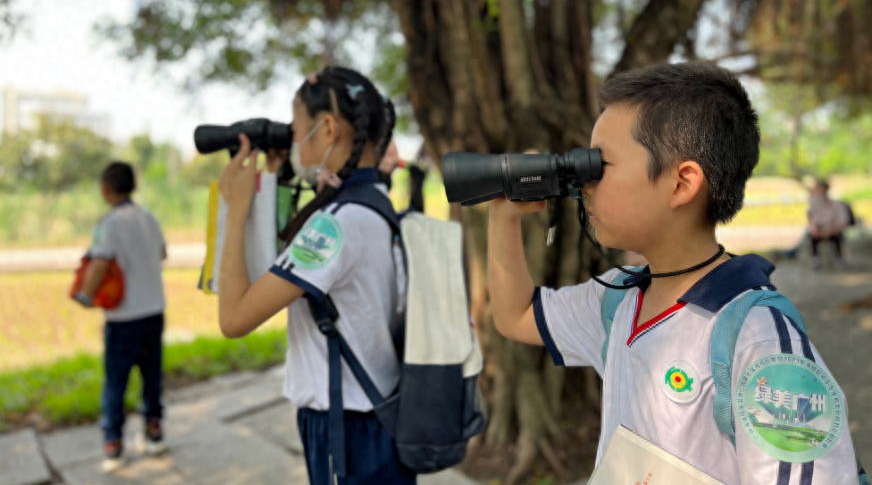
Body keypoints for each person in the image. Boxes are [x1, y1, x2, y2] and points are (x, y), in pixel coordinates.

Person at [488, 63, 859, 484]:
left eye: (599, 165)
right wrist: (504, 218)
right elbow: (516, 315)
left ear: (682, 183)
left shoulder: (758, 338)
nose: (583, 184)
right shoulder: (618, 300)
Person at [217, 66, 415, 484]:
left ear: (327, 129)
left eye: (297, 128)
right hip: (379, 415)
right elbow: (276, 264)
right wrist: (270, 181)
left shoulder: (334, 225)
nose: (292, 141)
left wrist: (236, 211)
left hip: (346, 430)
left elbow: (234, 319)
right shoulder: (372, 204)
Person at [72, 162, 168, 472]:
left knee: (116, 381)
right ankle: (154, 434)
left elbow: (99, 262)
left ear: (105, 189)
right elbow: (162, 253)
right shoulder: (148, 217)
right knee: (151, 375)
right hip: (154, 309)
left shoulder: (108, 224)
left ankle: (114, 446)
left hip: (124, 317)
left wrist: (85, 296)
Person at [807, 179, 850, 270]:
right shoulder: (815, 203)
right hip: (819, 230)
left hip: (833, 229)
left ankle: (839, 258)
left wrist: (829, 231)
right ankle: (815, 259)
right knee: (812, 235)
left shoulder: (836, 204)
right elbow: (811, 218)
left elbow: (843, 222)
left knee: (838, 236)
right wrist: (816, 228)